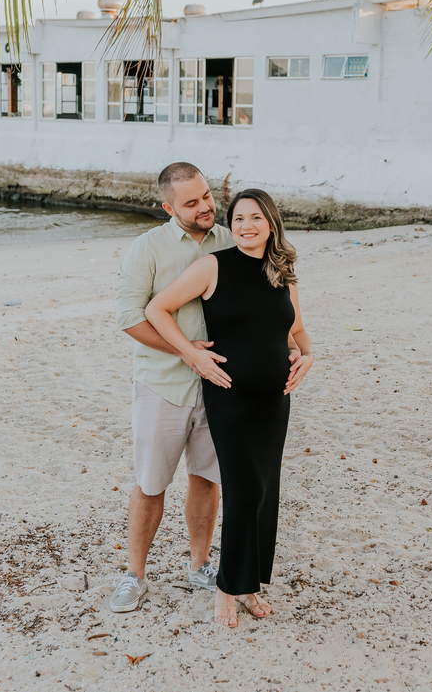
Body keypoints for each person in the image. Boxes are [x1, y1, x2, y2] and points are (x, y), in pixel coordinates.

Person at [145, 189, 314, 628]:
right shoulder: (212, 266)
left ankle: (248, 584)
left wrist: (308, 355)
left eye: (255, 218)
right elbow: (157, 308)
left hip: (275, 401)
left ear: (271, 223)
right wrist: (191, 354)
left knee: (263, 492)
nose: (246, 226)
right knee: (241, 491)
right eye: (238, 219)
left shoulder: (284, 271)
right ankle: (226, 587)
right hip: (231, 399)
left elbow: (294, 327)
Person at [109, 162, 234, 613]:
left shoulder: (230, 239)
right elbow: (129, 317)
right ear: (168, 207)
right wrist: (186, 351)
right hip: (162, 385)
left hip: (220, 385)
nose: (205, 207)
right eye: (191, 202)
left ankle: (199, 565)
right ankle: (134, 575)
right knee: (151, 482)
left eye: (206, 196)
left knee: (206, 478)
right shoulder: (148, 248)